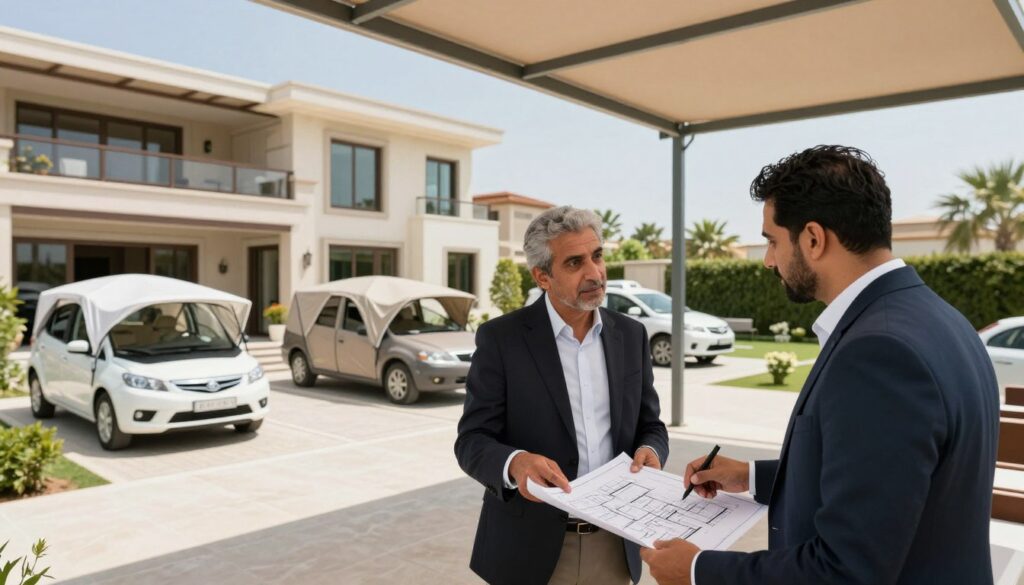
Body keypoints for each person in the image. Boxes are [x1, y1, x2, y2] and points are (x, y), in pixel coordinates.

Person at [641, 145, 1000, 585]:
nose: (769, 259)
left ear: (813, 238)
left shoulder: (879, 352)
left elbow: (846, 570)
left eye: (772, 240)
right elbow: (888, 483)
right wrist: (751, 476)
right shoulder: (942, 319)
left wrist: (697, 570)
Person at [455, 206, 669, 585]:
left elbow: (650, 425)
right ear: (543, 276)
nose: (594, 273)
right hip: (528, 552)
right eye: (574, 263)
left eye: (597, 256)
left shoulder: (631, 335)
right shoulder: (501, 340)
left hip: (615, 547)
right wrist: (515, 463)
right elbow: (471, 441)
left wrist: (651, 451)